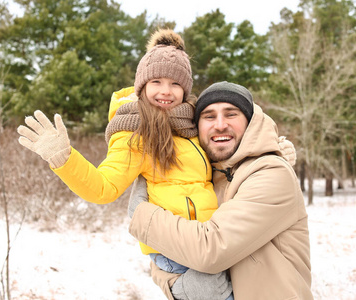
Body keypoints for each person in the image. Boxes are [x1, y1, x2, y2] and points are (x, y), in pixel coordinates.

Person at [17, 29, 233, 300]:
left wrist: (270, 153)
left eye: (175, 84)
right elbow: (103, 188)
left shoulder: (190, 124)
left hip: (206, 241)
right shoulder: (137, 131)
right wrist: (64, 158)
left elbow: (224, 159)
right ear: (142, 85)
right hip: (177, 248)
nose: (166, 91)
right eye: (156, 81)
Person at [128, 81, 314, 299]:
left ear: (250, 121)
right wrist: (181, 287)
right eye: (208, 116)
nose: (220, 124)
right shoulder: (204, 179)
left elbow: (211, 248)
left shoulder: (272, 172)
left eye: (231, 114)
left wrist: (141, 215)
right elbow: (166, 253)